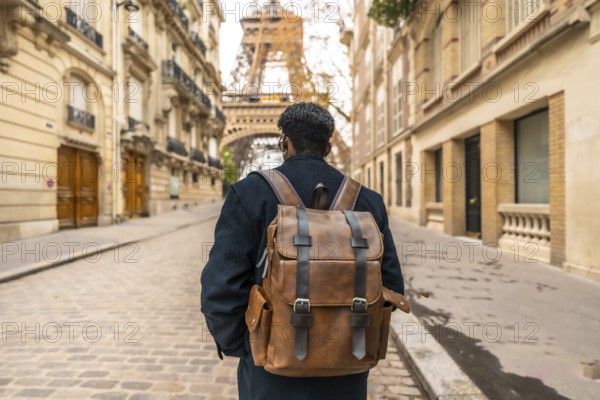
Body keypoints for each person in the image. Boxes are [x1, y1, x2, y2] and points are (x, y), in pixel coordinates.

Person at [200, 102, 405, 400]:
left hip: (271, 370)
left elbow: (220, 288)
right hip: (347, 367)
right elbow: (390, 286)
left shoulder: (248, 193)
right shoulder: (368, 201)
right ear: (329, 146)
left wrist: (247, 346)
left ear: (285, 141)